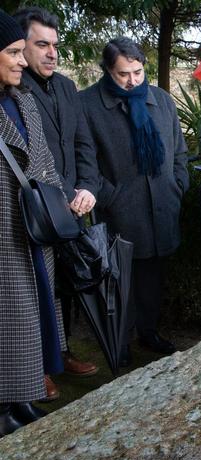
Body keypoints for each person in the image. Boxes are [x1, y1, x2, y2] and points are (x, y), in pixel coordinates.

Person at [80, 37, 189, 356]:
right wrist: (110, 198)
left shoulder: (162, 100)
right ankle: (120, 340)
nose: (132, 81)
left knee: (153, 276)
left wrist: (177, 186)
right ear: (107, 70)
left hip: (163, 206)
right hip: (119, 211)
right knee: (118, 280)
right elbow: (83, 162)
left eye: (138, 72)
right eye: (123, 74)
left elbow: (180, 152)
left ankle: (149, 332)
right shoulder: (87, 105)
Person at [14, 6, 99, 378]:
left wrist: (88, 188)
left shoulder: (66, 86)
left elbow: (84, 145)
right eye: (42, 45)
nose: (52, 53)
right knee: (36, 288)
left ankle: (62, 353)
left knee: (67, 284)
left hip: (74, 206)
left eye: (55, 45)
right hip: (36, 208)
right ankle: (38, 369)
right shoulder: (13, 90)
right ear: (22, 46)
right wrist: (62, 194)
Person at [0, 10, 61, 436]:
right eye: (13, 52)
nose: (22, 61)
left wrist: (60, 200)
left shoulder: (23, 101)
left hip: (32, 234)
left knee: (30, 319)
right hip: (5, 238)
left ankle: (15, 401)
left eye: (24, 52)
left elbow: (44, 164)